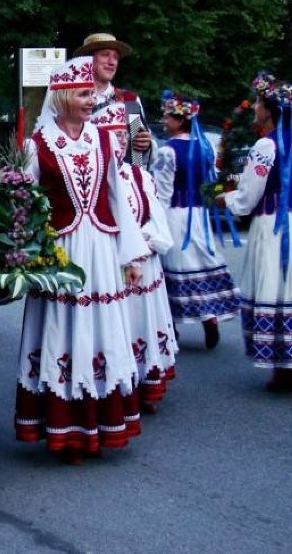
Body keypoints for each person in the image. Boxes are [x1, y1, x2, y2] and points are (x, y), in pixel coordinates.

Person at [15, 57, 150, 463]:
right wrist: (26, 257)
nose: (91, 101)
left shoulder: (105, 140)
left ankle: (103, 424)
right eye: (83, 94)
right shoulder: (37, 145)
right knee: (63, 330)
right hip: (63, 253)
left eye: (92, 93)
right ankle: (66, 429)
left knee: (102, 330)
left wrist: (131, 255)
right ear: (62, 98)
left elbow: (117, 200)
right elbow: (24, 205)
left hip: (102, 251)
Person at [216, 74, 292, 392]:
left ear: (269, 109)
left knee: (277, 281)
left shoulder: (265, 145)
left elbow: (247, 198)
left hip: (276, 225)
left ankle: (284, 367)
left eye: (259, 102)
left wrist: (226, 198)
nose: (255, 107)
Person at [93, 102, 177, 415]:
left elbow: (157, 218)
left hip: (145, 260)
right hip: (112, 265)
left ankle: (145, 383)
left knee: (142, 324)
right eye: (111, 136)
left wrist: (145, 242)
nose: (119, 142)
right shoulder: (96, 179)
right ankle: (116, 386)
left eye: (122, 136)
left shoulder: (138, 175)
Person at [153, 92, 239, 349]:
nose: (164, 120)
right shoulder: (204, 147)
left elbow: (163, 191)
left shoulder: (168, 151)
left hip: (176, 216)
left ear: (180, 120)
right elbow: (208, 183)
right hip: (199, 215)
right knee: (200, 260)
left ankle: (171, 326)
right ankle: (209, 318)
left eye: (168, 116)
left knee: (172, 266)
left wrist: (154, 222)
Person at [73, 32, 153, 166]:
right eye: (105, 55)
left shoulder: (130, 100)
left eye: (115, 57)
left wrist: (146, 143)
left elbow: (138, 157)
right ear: (88, 59)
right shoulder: (71, 99)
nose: (112, 62)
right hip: (83, 179)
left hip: (122, 181)